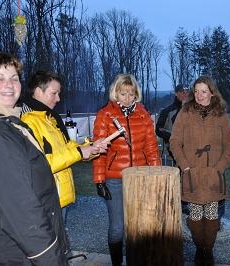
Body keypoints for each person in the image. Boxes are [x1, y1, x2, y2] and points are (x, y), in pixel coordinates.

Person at [0, 52, 70, 265]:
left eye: (14, 78)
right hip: (6, 252)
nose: (9, 85)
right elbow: (21, 211)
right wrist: (51, 259)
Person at [21, 70, 109, 221]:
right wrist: (80, 152)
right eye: (54, 93)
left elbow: (67, 147)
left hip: (58, 198)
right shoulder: (27, 122)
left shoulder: (49, 118)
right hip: (45, 201)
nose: (58, 99)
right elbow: (40, 165)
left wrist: (92, 147)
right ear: (38, 92)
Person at [92, 74, 161, 266]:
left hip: (140, 176)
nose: (127, 98)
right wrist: (99, 180)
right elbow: (99, 150)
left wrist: (155, 174)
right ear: (115, 93)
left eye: (131, 94)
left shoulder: (143, 114)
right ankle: (116, 264)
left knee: (138, 226)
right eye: (123, 94)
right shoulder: (105, 115)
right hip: (114, 177)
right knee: (117, 228)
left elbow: (151, 147)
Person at [170, 76, 230, 266]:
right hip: (193, 175)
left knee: (213, 217)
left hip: (214, 175)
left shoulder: (220, 115)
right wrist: (185, 166)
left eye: (203, 91)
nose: (199, 95)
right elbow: (174, 142)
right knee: (196, 217)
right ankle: (200, 250)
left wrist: (220, 167)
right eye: (196, 91)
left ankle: (210, 251)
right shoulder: (185, 112)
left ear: (212, 93)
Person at [156, 83, 189, 166]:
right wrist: (173, 136)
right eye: (182, 92)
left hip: (188, 156)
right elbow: (158, 129)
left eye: (186, 92)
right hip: (169, 155)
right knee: (168, 179)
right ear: (175, 93)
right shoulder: (166, 111)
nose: (185, 95)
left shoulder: (193, 111)